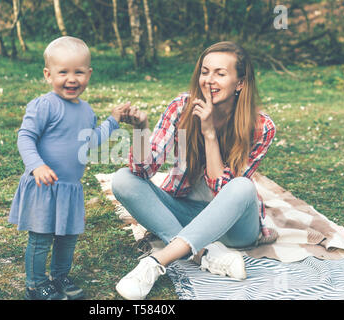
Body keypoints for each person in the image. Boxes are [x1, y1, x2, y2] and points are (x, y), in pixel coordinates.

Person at [112, 41, 276, 300]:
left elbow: (224, 192)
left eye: (220, 73)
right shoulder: (182, 107)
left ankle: (156, 262)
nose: (209, 80)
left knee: (242, 187)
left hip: (234, 227)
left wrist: (209, 132)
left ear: (240, 83)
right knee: (123, 179)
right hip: (186, 213)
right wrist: (141, 130)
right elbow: (143, 170)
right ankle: (206, 253)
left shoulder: (261, 127)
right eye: (205, 71)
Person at [8, 36, 130, 300]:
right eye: (63, 72)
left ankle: (60, 276)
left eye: (78, 72)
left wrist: (113, 120)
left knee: (67, 237)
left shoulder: (86, 111)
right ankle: (35, 284)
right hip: (44, 185)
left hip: (70, 189)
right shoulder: (45, 105)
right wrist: (36, 166)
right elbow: (25, 137)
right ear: (48, 75)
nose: (71, 78)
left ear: (89, 74)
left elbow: (91, 140)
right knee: (41, 239)